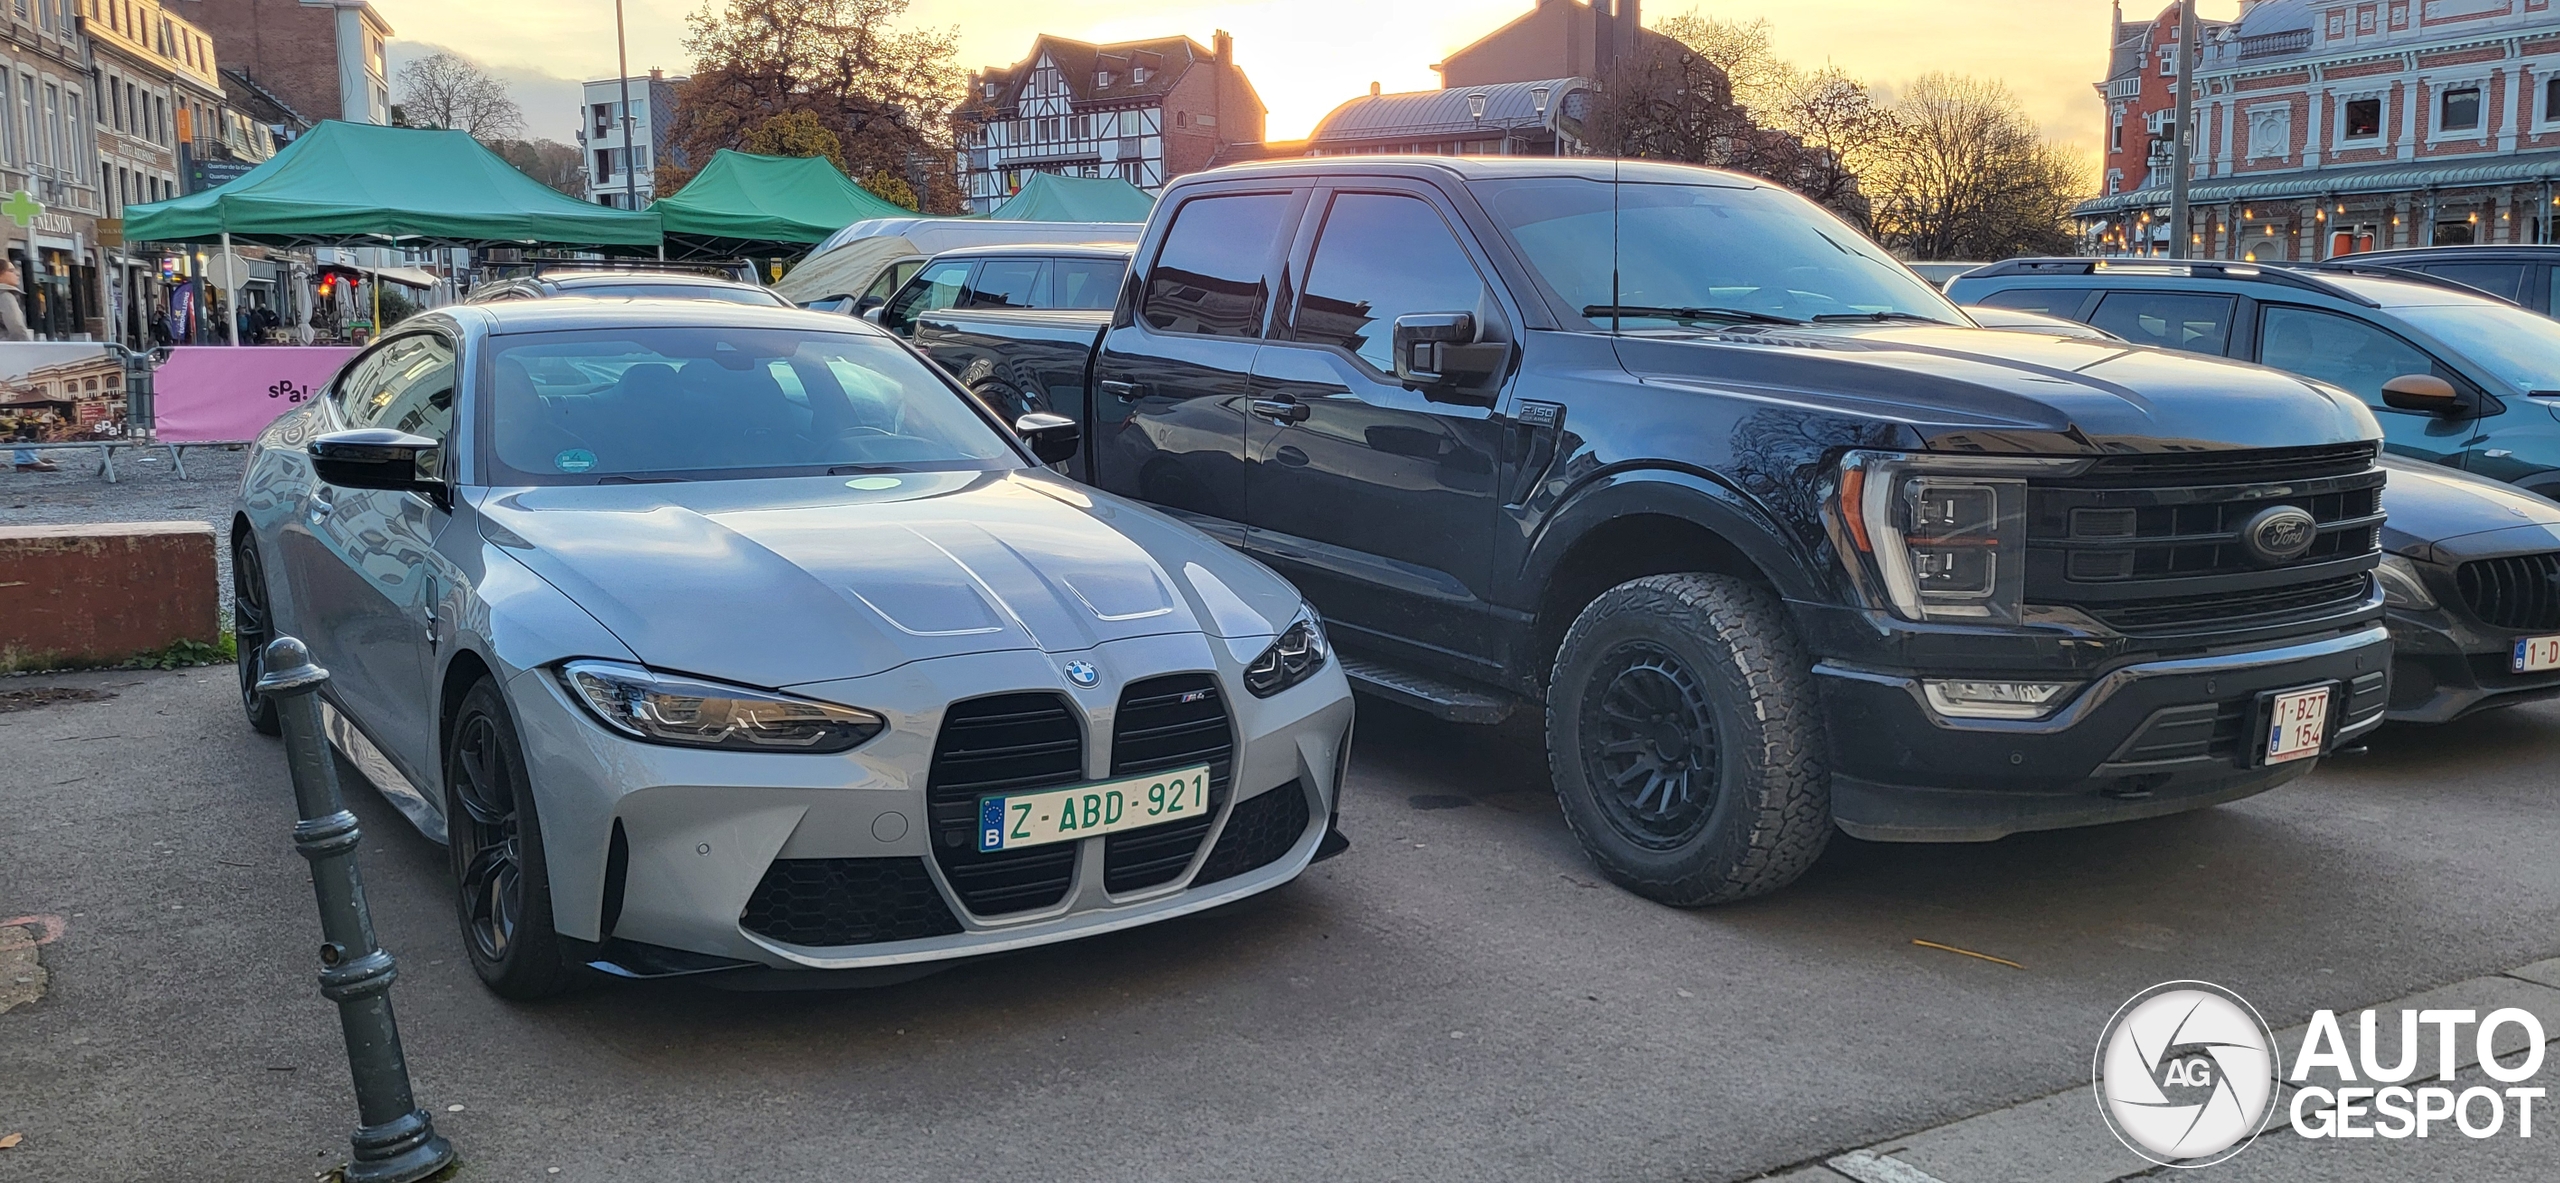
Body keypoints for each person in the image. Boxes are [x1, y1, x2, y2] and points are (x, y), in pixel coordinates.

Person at [1, 258, 49, 473]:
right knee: (24, 407)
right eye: (12, 270)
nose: (17, 274)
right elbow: (17, 329)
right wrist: (29, 353)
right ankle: (26, 457)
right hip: (9, 359)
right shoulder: (4, 295)